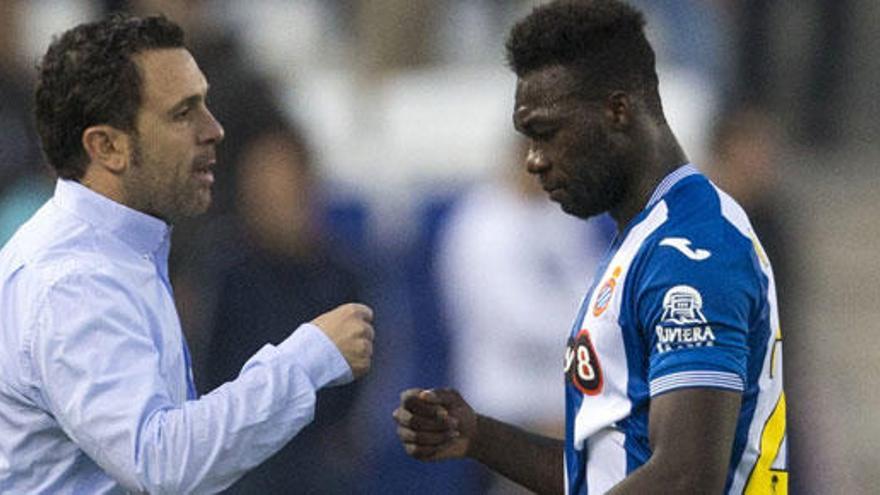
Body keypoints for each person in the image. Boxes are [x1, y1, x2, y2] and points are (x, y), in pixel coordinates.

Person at [393, 1, 787, 494]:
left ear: (617, 110)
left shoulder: (692, 251)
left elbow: (686, 479)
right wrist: (479, 436)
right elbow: (607, 477)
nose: (534, 161)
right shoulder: (644, 240)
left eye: (546, 133)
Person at [0, 14, 374, 494]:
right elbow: (161, 463)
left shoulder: (118, 252)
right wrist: (308, 359)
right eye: (183, 113)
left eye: (205, 104)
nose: (214, 129)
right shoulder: (74, 280)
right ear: (107, 146)